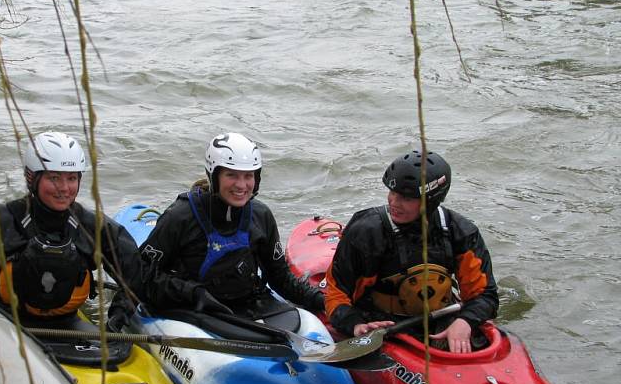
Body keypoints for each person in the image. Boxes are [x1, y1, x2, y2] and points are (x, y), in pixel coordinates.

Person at [0, 131, 144, 331]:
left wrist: (118, 317)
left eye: (71, 178)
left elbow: (133, 275)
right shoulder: (1, 223)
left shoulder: (94, 227)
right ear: (32, 178)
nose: (64, 188)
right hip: (5, 320)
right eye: (54, 178)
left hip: (68, 326)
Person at [324, 149, 498, 353]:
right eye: (392, 192)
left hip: (440, 318)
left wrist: (465, 322)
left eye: (406, 198)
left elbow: (486, 296)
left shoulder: (460, 232)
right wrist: (354, 324)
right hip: (379, 324)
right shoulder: (366, 233)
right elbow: (335, 294)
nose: (394, 203)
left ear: (431, 200)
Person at [139, 132, 325, 320]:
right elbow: (141, 275)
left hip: (247, 304)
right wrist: (192, 293)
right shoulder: (180, 217)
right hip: (193, 308)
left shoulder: (261, 216)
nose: (241, 185)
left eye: (248, 176)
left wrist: (324, 301)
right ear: (214, 176)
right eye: (231, 175)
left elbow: (280, 278)